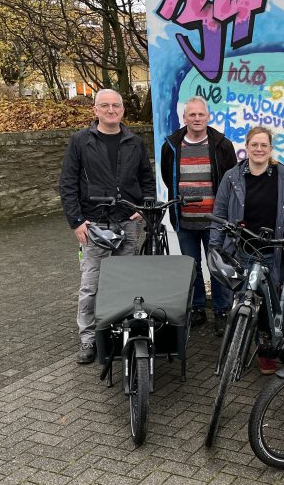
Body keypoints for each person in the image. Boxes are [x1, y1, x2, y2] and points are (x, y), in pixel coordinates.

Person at [59, 89, 156, 364]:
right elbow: (68, 182)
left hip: (128, 222)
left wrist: (143, 208)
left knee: (127, 281)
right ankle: (88, 339)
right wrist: (76, 221)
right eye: (105, 106)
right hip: (94, 223)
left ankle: (122, 333)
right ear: (95, 110)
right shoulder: (80, 141)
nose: (111, 110)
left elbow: (146, 179)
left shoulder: (134, 142)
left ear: (123, 110)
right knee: (91, 285)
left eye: (116, 105)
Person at [210, 126, 284, 374]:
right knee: (241, 300)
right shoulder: (232, 177)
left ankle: (266, 351)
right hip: (241, 249)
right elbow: (220, 214)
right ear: (247, 146)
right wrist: (215, 246)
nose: (259, 149)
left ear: (270, 149)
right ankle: (238, 347)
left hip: (273, 252)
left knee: (269, 304)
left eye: (264, 145)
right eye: (255, 145)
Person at [161, 96, 237, 336]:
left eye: (200, 114)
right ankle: (197, 309)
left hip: (215, 222)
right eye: (191, 115)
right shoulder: (171, 145)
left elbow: (231, 182)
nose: (196, 118)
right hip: (184, 220)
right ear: (184, 118)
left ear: (208, 117)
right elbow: (168, 177)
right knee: (191, 267)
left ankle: (222, 311)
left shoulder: (222, 145)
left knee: (217, 267)